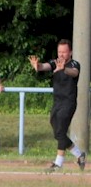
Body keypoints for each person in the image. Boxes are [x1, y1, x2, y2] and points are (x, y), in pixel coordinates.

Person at [29, 39, 86, 173]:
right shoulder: (55, 63)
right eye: (59, 52)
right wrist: (37, 66)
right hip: (57, 102)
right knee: (57, 132)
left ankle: (58, 163)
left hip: (69, 102)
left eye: (64, 52)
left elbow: (74, 73)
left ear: (70, 52)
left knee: (61, 130)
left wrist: (64, 69)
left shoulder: (74, 64)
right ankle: (79, 155)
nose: (61, 55)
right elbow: (44, 67)